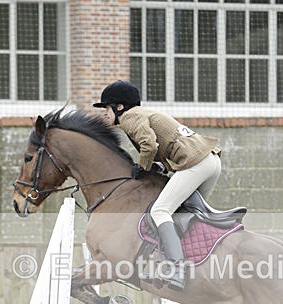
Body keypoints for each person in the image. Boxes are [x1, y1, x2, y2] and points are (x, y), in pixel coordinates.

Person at [93, 80, 222, 290]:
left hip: (197, 164)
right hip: (211, 162)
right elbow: (165, 145)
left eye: (106, 108)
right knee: (183, 214)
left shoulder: (129, 117)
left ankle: (177, 269)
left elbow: (149, 145)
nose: (104, 113)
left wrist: (143, 168)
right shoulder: (145, 114)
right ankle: (188, 261)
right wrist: (159, 166)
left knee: (159, 211)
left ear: (119, 107)